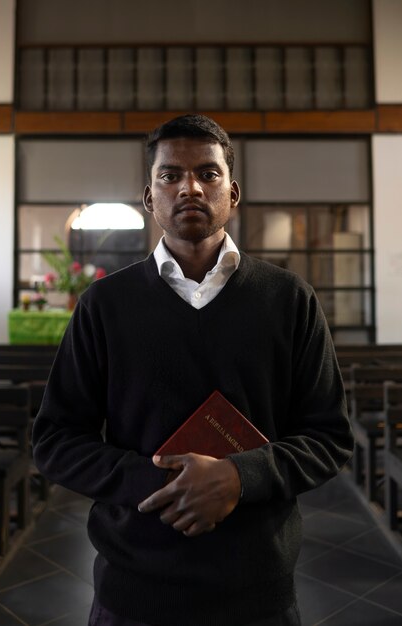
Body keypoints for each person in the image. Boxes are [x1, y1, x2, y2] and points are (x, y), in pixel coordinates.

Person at [32, 114, 353, 626]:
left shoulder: (289, 300)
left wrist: (237, 478)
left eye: (208, 174)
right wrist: (163, 485)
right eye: (170, 175)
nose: (190, 188)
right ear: (148, 196)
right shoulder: (105, 305)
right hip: (134, 586)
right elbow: (56, 439)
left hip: (257, 585)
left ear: (234, 193)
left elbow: (329, 436)